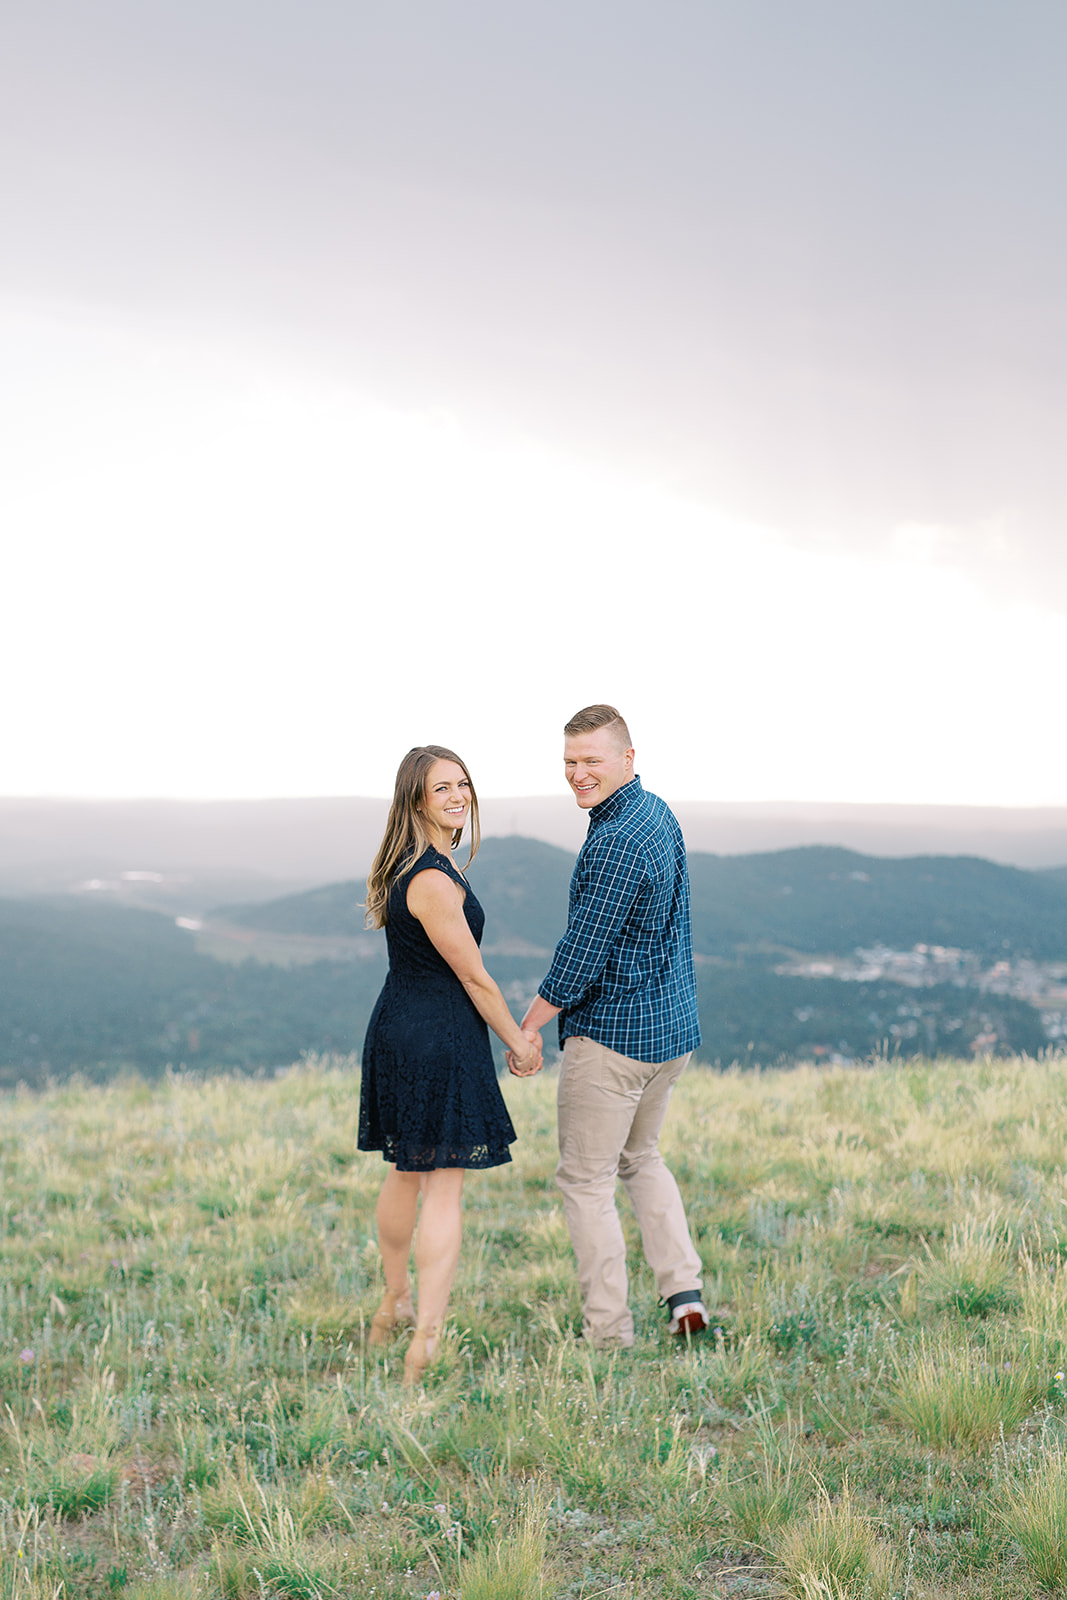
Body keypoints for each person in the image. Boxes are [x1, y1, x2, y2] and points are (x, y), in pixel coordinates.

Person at [513, 704, 708, 1349]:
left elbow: (582, 954)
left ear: (628, 758)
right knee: (642, 1156)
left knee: (584, 1180)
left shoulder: (616, 841)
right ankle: (685, 1300)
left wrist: (530, 1025)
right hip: (669, 1033)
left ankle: (608, 1334)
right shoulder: (657, 814)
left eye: (591, 761)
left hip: (615, 1041)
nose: (577, 774)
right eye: (569, 762)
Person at [359, 745, 542, 1385]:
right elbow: (474, 977)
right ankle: (424, 1343)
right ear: (417, 800)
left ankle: (393, 1304)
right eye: (443, 788)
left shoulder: (409, 868)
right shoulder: (434, 879)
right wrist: (518, 1041)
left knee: (405, 1172)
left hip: (400, 1025)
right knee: (442, 1183)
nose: (459, 795)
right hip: (438, 1034)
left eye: (463, 784)